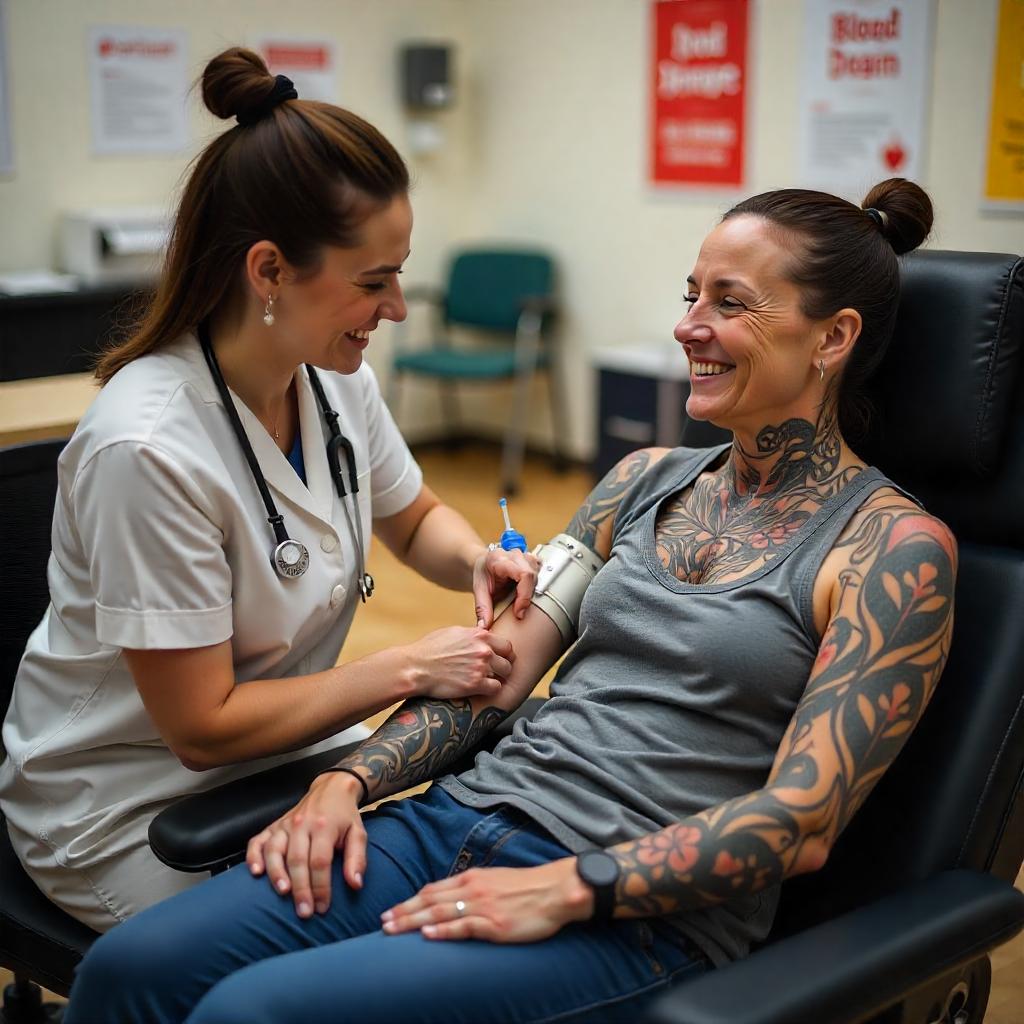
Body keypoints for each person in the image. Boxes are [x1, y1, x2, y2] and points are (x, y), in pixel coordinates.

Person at [66, 176, 958, 1024]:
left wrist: (571, 886)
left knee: (249, 1013)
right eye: (690, 295)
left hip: (635, 910)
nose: (688, 327)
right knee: (129, 970)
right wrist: (347, 779)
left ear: (833, 337)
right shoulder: (640, 482)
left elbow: (799, 822)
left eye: (730, 303)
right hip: (463, 817)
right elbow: (492, 675)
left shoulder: (892, 552)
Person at [0, 48, 539, 933]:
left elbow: (413, 519)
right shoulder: (148, 448)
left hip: (283, 761)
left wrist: (477, 557)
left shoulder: (331, 376)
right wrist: (407, 665)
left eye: (400, 271)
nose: (398, 307)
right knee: (370, 936)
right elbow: (201, 727)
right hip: (130, 808)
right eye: (374, 281)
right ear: (269, 271)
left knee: (459, 857)